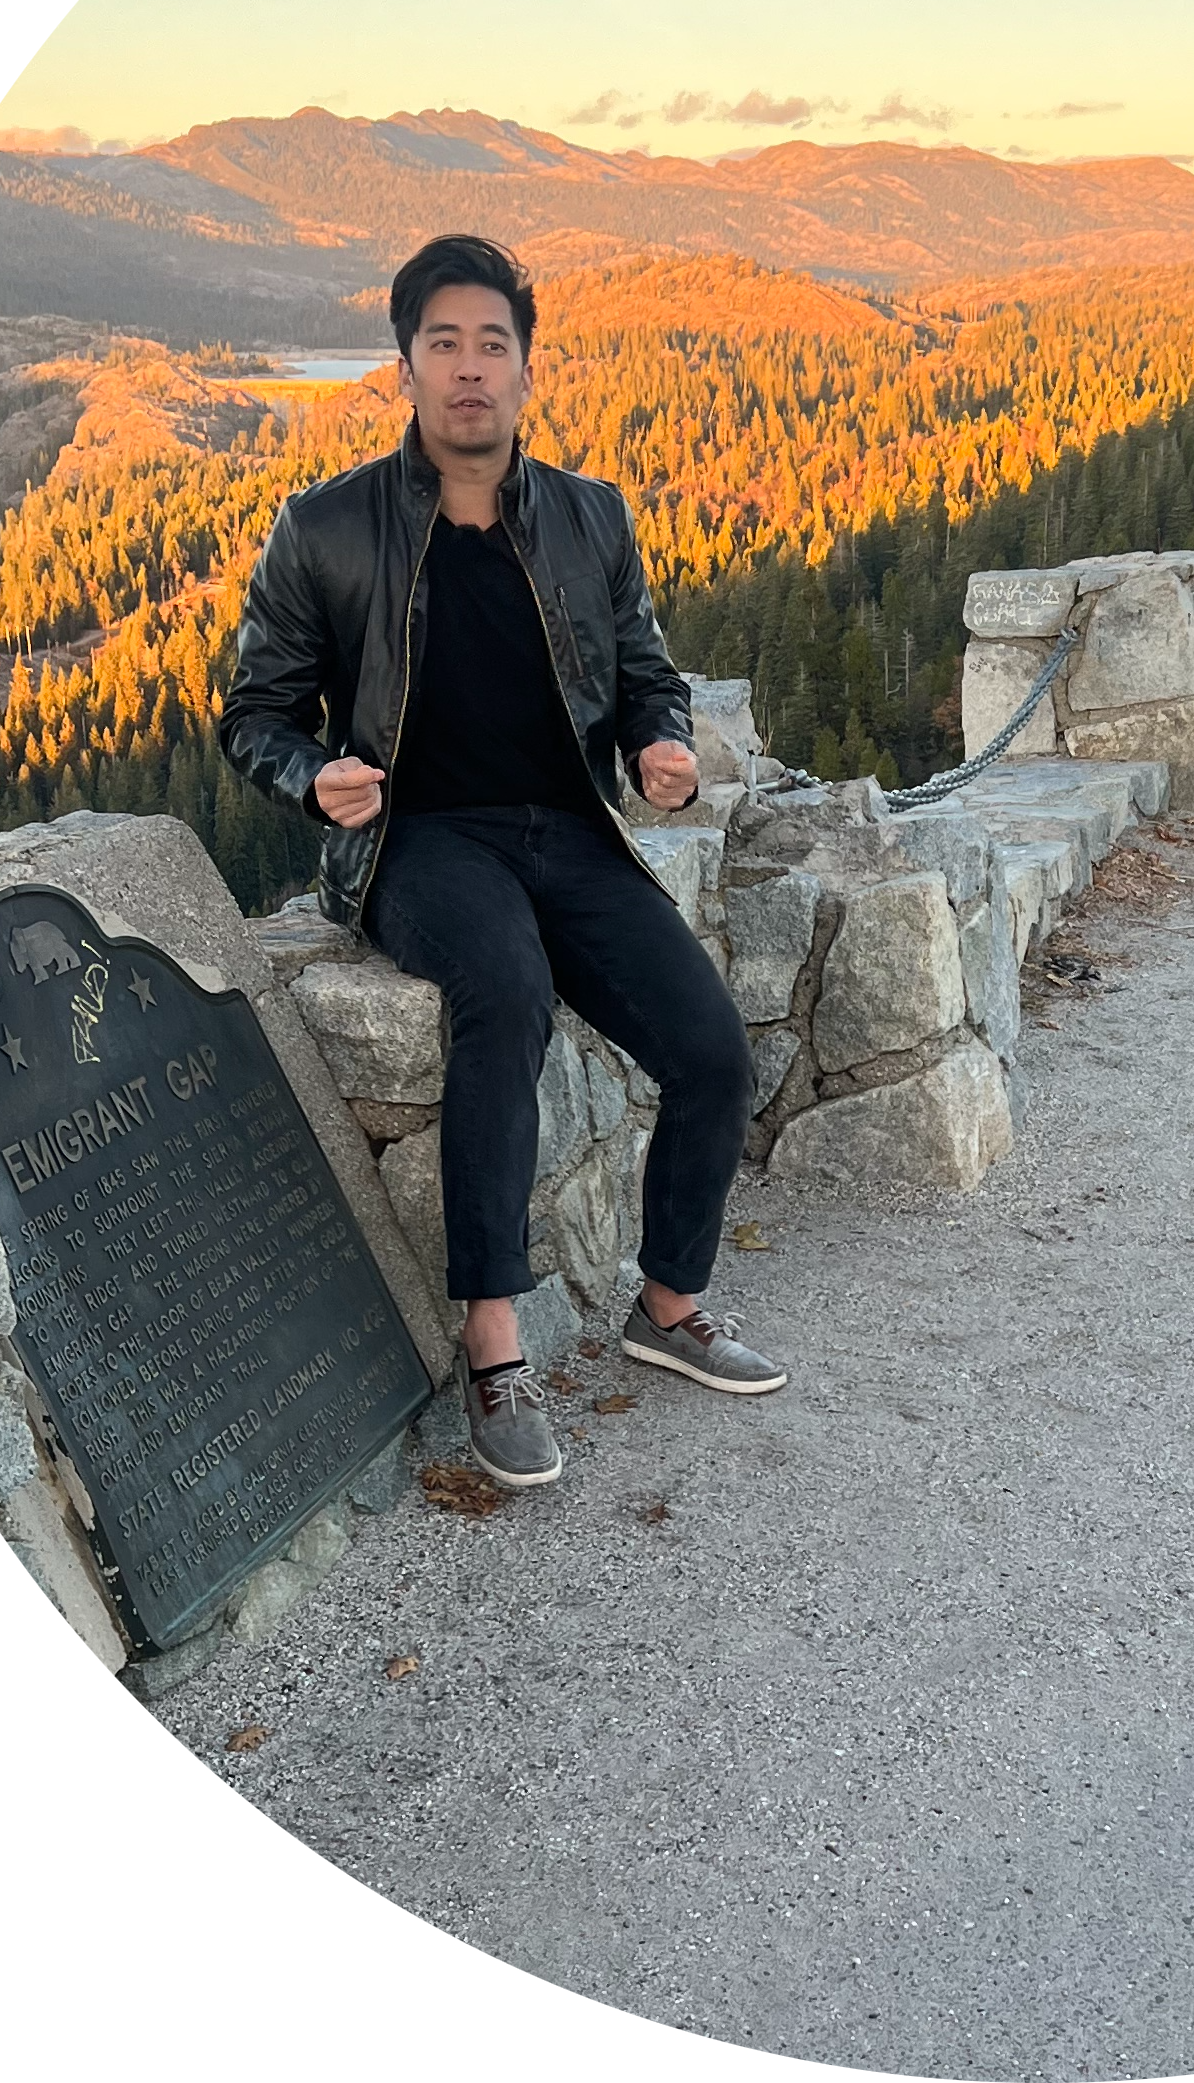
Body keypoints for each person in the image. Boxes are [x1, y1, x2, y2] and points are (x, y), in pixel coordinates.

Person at [220, 234, 781, 1489]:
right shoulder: (325, 530)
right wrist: (310, 775)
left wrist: (661, 741)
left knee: (709, 1047)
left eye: (493, 345)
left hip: (567, 829)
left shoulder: (590, 518)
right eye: (444, 345)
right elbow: (251, 712)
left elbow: (644, 672)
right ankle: (494, 1350)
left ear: (528, 368)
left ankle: (670, 1306)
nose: (470, 370)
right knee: (505, 996)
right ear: (404, 366)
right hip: (416, 842)